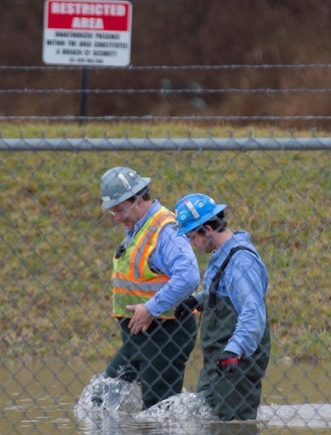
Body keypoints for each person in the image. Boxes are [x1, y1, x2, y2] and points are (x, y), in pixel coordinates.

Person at [99, 166, 199, 410]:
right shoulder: (137, 229)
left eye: (120, 209)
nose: (117, 217)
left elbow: (188, 276)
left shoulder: (165, 229)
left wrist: (151, 308)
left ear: (139, 199)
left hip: (166, 332)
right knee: (102, 400)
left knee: (158, 410)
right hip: (140, 336)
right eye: (113, 211)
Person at [173, 192, 272, 421]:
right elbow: (223, 293)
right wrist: (198, 301)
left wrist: (235, 351)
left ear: (207, 230)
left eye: (191, 236)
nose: (191, 243)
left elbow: (252, 311)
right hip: (219, 360)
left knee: (234, 429)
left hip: (236, 360)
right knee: (208, 421)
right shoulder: (222, 255)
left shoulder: (241, 261)